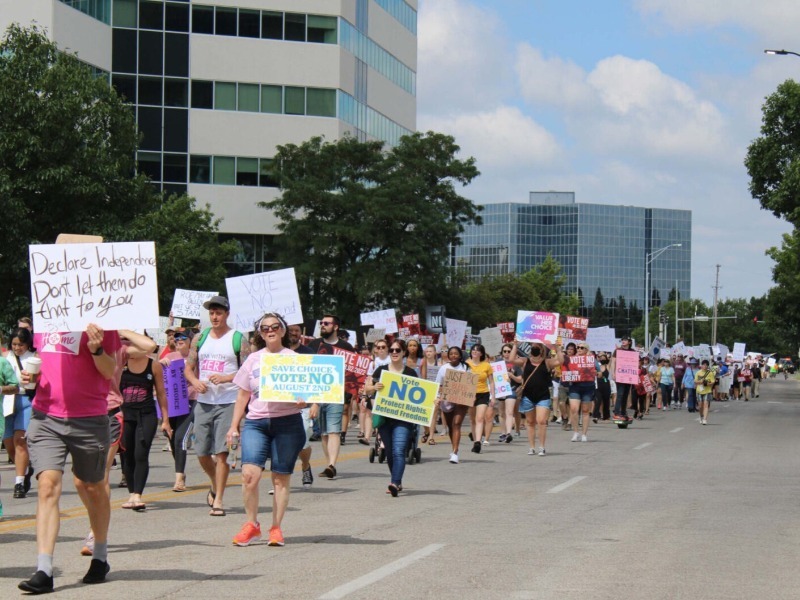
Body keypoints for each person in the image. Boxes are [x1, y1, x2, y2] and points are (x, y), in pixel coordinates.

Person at [19, 324, 120, 593]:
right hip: (45, 416)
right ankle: (44, 569)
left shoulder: (102, 325)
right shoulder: (47, 316)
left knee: (93, 487)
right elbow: (43, 364)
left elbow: (110, 371)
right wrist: (31, 378)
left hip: (89, 419)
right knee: (47, 485)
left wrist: (96, 349)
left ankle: (100, 555)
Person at [228, 313, 307, 547]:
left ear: (283, 330)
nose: (270, 330)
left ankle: (276, 527)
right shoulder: (253, 359)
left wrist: (305, 399)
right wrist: (234, 425)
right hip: (256, 422)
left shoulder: (295, 358)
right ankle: (251, 525)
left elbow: (312, 391)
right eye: (264, 328)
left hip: (287, 423)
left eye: (275, 326)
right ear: (260, 333)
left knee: (280, 479)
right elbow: (243, 394)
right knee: (249, 476)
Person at [184, 295, 250, 517]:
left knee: (221, 453)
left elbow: (247, 371)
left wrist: (226, 377)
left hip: (229, 401)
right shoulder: (200, 338)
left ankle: (219, 499)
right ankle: (215, 482)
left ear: (227, 314)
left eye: (219, 313)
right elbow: (188, 368)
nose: (214, 317)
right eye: (212, 313)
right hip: (204, 401)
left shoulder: (238, 339)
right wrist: (195, 382)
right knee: (202, 452)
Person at [119, 338, 171, 511]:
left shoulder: (153, 365)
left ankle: (137, 495)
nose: (127, 346)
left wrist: (165, 420)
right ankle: (131, 492)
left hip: (146, 415)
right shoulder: (120, 364)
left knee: (141, 453)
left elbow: (162, 394)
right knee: (127, 455)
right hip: (125, 415)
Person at [364, 339, 417, 496]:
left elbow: (421, 396)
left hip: (403, 419)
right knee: (389, 451)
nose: (394, 352)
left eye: (397, 350)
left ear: (403, 353)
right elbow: (366, 390)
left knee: (399, 450)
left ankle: (394, 482)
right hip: (384, 418)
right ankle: (397, 481)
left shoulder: (410, 373)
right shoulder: (380, 371)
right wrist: (374, 387)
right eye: (392, 350)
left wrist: (433, 401)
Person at [307, 315, 353, 480]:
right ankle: (329, 464)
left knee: (333, 430)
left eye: (326, 323)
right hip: (318, 395)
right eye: (321, 323)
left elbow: (352, 373)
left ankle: (332, 464)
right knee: (325, 432)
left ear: (335, 327)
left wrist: (349, 394)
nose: (322, 326)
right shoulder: (314, 345)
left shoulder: (346, 347)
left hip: (336, 393)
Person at [160, 328, 197, 492]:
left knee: (181, 438)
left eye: (182, 337)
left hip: (192, 400)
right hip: (173, 403)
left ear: (190, 340)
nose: (178, 339)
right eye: (176, 338)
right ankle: (180, 470)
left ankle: (179, 478)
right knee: (172, 436)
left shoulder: (196, 358)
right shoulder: (170, 357)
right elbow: (159, 376)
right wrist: (160, 365)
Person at [513, 341, 563, 456]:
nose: (534, 348)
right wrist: (515, 345)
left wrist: (558, 349)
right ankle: (531, 447)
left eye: (537, 347)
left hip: (543, 396)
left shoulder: (547, 362)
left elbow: (560, 361)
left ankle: (542, 446)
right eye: (533, 347)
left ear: (542, 350)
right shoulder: (525, 361)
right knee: (530, 422)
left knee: (541, 421)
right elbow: (511, 360)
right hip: (528, 396)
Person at [4, 328, 36, 499]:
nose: (17, 348)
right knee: (9, 443)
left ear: (28, 344)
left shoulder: (34, 358)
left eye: (21, 344)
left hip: (26, 400)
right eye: (14, 344)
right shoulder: (5, 358)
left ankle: (19, 482)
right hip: (7, 402)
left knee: (20, 441)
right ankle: (25, 468)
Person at [286, 323, 315, 488]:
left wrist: (316, 404)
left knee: (302, 441)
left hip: (303, 406)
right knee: (282, 443)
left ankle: (305, 466)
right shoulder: (277, 353)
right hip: (282, 406)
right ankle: (280, 479)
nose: (294, 333)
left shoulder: (308, 353)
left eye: (297, 331)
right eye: (291, 331)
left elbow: (316, 379)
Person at [435, 346, 469, 464]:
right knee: (451, 426)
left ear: (460, 355)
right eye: (451, 354)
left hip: (461, 401)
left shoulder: (465, 368)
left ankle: (455, 452)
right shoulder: (443, 369)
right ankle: (453, 446)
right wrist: (439, 397)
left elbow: (469, 385)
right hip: (447, 400)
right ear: (448, 356)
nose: (453, 356)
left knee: (457, 423)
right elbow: (438, 385)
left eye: (456, 354)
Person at [563, 342, 596, 442]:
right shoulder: (571, 359)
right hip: (575, 386)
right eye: (578, 347)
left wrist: (596, 373)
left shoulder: (592, 360)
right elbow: (565, 368)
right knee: (574, 409)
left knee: (586, 411)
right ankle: (576, 432)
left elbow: (599, 373)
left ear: (586, 350)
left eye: (582, 348)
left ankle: (584, 434)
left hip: (588, 387)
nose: (579, 349)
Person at [466, 344, 495, 453]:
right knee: (472, 419)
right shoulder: (466, 364)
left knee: (480, 418)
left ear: (481, 353)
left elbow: (491, 381)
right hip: (470, 394)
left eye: (477, 350)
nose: (475, 351)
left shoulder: (486, 365)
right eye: (473, 349)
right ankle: (475, 441)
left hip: (483, 393)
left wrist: (493, 396)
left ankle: (478, 442)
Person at [499, 343, 522, 443]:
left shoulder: (516, 364)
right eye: (505, 351)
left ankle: (509, 433)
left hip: (512, 390)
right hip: (500, 390)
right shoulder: (498, 363)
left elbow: (520, 380)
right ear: (502, 353)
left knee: (509, 412)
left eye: (509, 351)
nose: (507, 353)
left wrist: (511, 375)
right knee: (501, 413)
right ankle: (503, 433)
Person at [609, 336, 636, 421]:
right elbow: (613, 362)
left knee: (625, 394)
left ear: (629, 342)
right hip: (620, 375)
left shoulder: (633, 351)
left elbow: (635, 364)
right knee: (620, 393)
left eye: (625, 340)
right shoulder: (617, 351)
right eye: (622, 340)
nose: (623, 341)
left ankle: (623, 412)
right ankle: (617, 412)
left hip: (629, 376)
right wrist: (613, 373)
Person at [420, 344, 442, 444]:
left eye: (430, 351)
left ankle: (431, 437)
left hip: (436, 390)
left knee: (434, 413)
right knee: (423, 414)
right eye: (427, 351)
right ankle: (427, 431)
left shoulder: (440, 363)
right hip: (424, 390)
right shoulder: (422, 363)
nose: (428, 353)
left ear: (435, 353)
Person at [695, 360, 716, 425]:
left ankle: (705, 419)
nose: (705, 366)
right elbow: (695, 381)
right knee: (700, 406)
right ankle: (701, 416)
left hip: (707, 391)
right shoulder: (698, 372)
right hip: (699, 391)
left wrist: (707, 383)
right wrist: (701, 382)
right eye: (703, 365)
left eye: (706, 365)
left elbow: (713, 382)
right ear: (701, 365)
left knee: (706, 404)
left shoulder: (710, 373)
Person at [592, 352, 612, 423]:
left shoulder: (608, 366)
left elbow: (612, 359)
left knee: (606, 401)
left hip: (606, 385)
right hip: (598, 386)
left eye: (602, 356)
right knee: (598, 400)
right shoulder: (596, 366)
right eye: (599, 357)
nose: (601, 358)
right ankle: (596, 415)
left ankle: (606, 416)